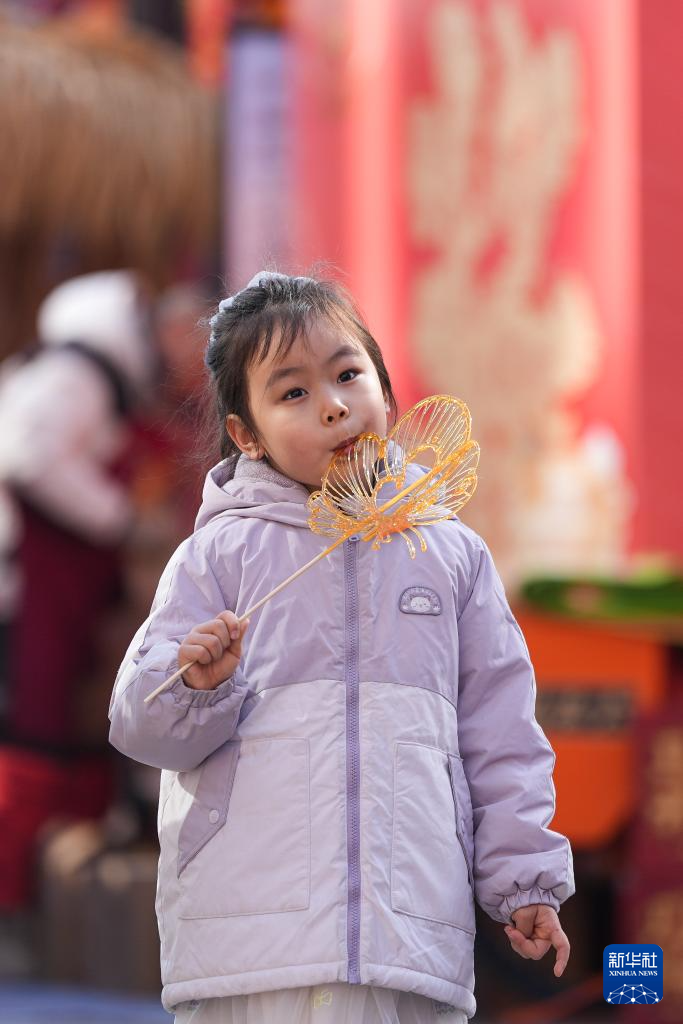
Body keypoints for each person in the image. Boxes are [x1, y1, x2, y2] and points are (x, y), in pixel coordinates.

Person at [109, 270, 575, 1023]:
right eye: (292, 392)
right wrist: (194, 683)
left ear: (384, 393)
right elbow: (139, 726)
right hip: (250, 948)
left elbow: (503, 735)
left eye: (347, 375)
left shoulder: (453, 555)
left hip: (409, 939)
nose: (331, 404)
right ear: (246, 435)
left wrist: (523, 879)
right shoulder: (217, 556)